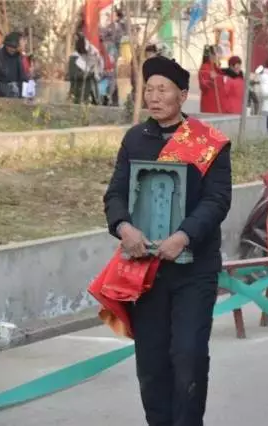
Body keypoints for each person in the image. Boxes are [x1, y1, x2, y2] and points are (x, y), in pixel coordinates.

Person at [96, 56, 232, 425]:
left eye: (163, 90)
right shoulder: (135, 139)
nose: (154, 98)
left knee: (187, 356)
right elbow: (116, 194)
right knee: (151, 362)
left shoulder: (210, 143)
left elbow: (217, 200)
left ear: (182, 95)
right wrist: (123, 227)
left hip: (194, 270)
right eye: (150, 90)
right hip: (145, 271)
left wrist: (184, 236)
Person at [0, 31, 28, 98]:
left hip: (17, 96)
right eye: (22, 42)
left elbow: (23, 79)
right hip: (0, 95)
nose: (24, 44)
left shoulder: (19, 57)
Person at [199, 45, 225, 113]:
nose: (218, 56)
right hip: (210, 105)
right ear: (210, 55)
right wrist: (211, 78)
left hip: (218, 104)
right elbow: (203, 85)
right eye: (216, 53)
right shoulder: (205, 67)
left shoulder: (216, 68)